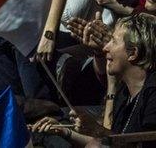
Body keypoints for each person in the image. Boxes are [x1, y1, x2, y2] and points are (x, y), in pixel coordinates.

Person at [33, 14, 156, 144]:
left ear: (133, 53)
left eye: (113, 41)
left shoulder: (153, 93)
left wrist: (96, 129)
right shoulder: (125, 92)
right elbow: (111, 141)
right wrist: (64, 132)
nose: (106, 48)